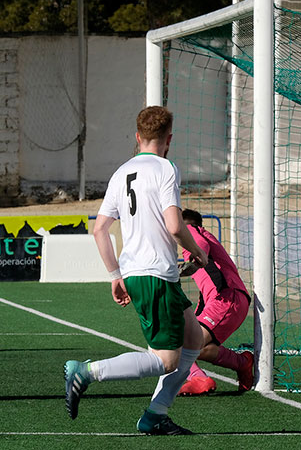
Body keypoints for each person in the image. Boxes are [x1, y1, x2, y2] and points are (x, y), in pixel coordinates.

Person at [63, 106, 209, 435]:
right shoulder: (166, 168)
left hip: (142, 272)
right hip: (154, 273)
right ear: (169, 139)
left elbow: (100, 229)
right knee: (166, 360)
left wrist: (115, 275)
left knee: (193, 338)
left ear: (137, 137)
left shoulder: (121, 173)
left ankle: (156, 414)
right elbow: (175, 225)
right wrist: (198, 251)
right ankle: (86, 371)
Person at [176, 209, 254, 396]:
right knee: (200, 347)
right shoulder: (202, 238)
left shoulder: (191, 231)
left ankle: (197, 378)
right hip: (222, 300)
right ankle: (243, 363)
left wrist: (192, 261)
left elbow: (200, 245)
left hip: (226, 299)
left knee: (178, 344)